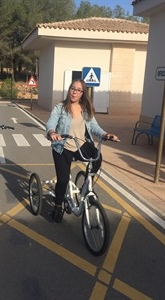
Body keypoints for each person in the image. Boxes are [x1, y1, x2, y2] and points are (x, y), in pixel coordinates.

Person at [46, 79, 119, 223]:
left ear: (82, 93)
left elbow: (94, 126)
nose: (74, 92)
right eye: (73, 88)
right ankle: (58, 206)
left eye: (78, 90)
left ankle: (88, 183)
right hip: (63, 146)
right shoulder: (60, 107)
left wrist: (105, 135)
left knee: (97, 157)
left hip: (80, 144)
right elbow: (51, 122)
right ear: (69, 89)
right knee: (63, 180)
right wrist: (52, 133)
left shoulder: (85, 109)